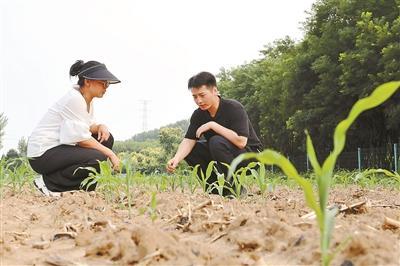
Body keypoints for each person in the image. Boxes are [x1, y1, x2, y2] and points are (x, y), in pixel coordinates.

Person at [27, 60, 121, 196]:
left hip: (58, 150)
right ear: (87, 81)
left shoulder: (86, 100)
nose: (106, 87)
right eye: (103, 83)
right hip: (42, 154)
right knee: (99, 157)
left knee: (106, 139)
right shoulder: (74, 99)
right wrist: (110, 154)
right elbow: (81, 139)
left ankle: (80, 187)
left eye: (107, 84)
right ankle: (49, 183)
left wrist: (101, 126)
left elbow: (87, 127)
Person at [166, 71, 262, 195]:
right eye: (195, 97)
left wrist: (213, 125)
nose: (199, 100)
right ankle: (214, 188)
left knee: (216, 141)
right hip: (221, 153)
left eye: (202, 95)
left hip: (250, 156)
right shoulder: (198, 115)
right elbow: (189, 140)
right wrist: (176, 158)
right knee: (192, 150)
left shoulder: (234, 108)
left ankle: (234, 189)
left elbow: (241, 142)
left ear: (214, 91)